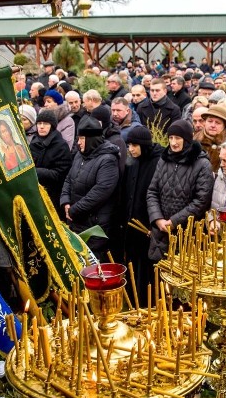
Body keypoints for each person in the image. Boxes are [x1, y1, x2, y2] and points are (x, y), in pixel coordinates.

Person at [145, 120, 214, 261]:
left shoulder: (202, 164)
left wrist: (174, 221)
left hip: (187, 234)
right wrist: (157, 219)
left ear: (187, 139)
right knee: (159, 277)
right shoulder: (164, 160)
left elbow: (201, 201)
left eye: (178, 138)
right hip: (161, 232)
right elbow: (152, 191)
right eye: (171, 138)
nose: (173, 142)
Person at [60, 116, 120, 261]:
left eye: (81, 138)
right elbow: (69, 179)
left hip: (94, 224)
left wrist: (74, 210)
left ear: (91, 139)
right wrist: (65, 201)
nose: (78, 142)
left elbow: (101, 191)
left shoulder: (108, 160)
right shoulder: (80, 156)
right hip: (76, 221)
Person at [123, 127, 163, 305]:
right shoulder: (132, 162)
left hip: (148, 226)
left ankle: (149, 305)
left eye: (134, 145)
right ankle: (134, 303)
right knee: (133, 267)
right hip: (132, 225)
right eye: (129, 145)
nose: (130, 149)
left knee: (147, 270)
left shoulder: (157, 162)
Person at [30, 109, 73, 217]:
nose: (41, 126)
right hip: (34, 193)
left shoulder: (61, 146)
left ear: (52, 126)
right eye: (39, 123)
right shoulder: (34, 141)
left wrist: (36, 172)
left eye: (45, 123)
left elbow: (61, 174)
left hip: (53, 195)